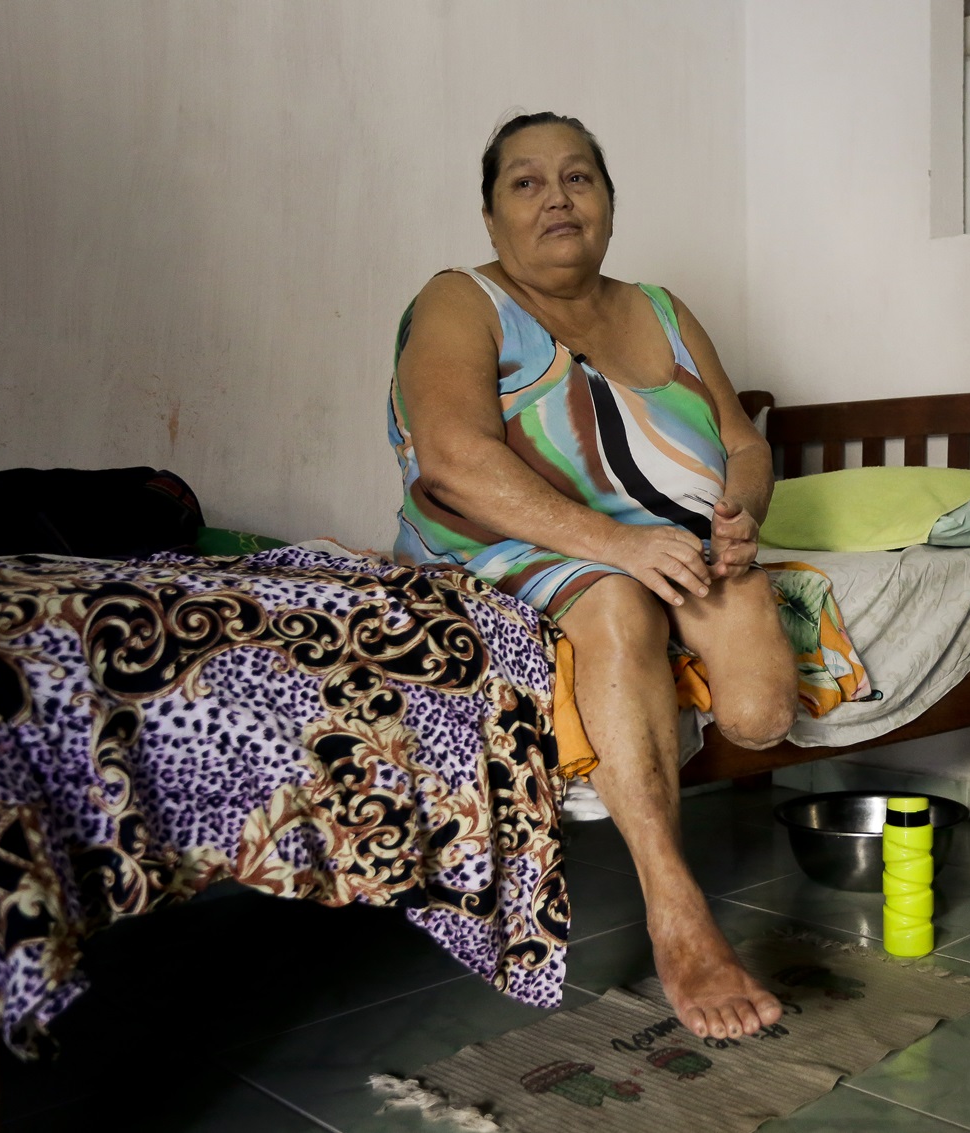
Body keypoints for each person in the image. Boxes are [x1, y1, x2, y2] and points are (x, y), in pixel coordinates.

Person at [389, 111, 795, 1039]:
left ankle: (706, 586)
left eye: (579, 177)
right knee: (617, 605)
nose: (557, 198)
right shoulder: (464, 298)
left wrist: (741, 513)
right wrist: (616, 550)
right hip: (506, 541)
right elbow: (451, 458)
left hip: (674, 539)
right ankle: (679, 914)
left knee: (761, 709)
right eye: (525, 183)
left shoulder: (662, 307)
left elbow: (742, 440)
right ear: (491, 219)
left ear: (609, 202)